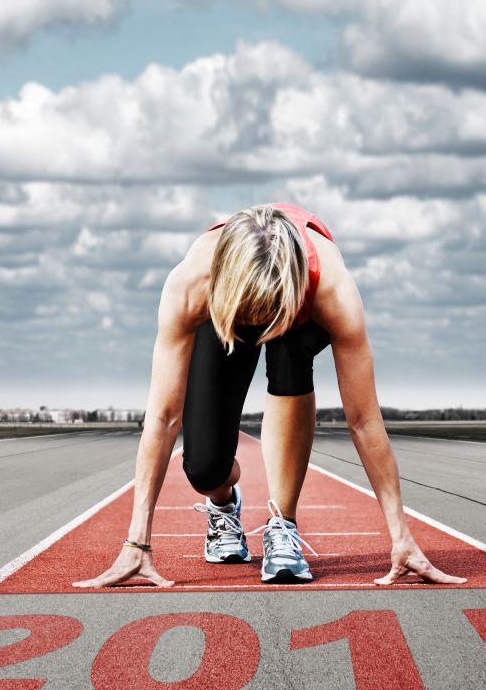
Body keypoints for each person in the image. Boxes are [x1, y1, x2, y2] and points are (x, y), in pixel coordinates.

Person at [73, 203, 465, 588]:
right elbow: (163, 417)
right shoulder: (191, 284)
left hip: (297, 306)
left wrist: (402, 538)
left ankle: (283, 525)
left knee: (290, 353)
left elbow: (362, 419)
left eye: (268, 314)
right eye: (255, 315)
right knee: (204, 469)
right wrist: (137, 543)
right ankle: (224, 503)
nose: (263, 328)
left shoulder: (332, 288)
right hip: (227, 307)